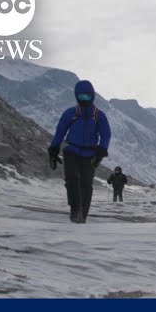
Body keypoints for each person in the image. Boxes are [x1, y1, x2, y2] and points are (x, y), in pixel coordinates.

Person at [48, 80, 111, 223]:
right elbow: (60, 132)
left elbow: (106, 134)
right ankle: (75, 209)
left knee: (86, 184)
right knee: (71, 179)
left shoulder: (98, 115)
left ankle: (83, 213)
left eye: (87, 97)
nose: (84, 100)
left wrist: (101, 151)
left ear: (93, 96)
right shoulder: (70, 113)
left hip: (90, 153)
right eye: (81, 97)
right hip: (71, 150)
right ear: (76, 96)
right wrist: (53, 149)